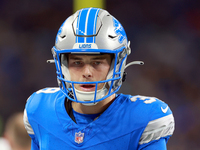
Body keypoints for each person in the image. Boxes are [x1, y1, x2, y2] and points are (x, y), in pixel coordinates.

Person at [23, 7, 175, 150]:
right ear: (63, 65)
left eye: (97, 62)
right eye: (77, 62)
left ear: (117, 64)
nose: (87, 72)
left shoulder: (144, 118)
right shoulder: (39, 109)